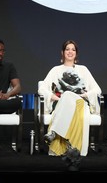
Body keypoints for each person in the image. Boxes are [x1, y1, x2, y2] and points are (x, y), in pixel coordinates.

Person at [38, 40, 101, 171]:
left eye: (73, 49)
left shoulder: (83, 70)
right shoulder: (56, 70)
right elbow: (42, 88)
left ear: (76, 53)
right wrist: (53, 96)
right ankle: (70, 148)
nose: (70, 52)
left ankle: (53, 132)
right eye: (67, 49)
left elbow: (97, 90)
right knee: (66, 95)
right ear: (62, 52)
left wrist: (84, 95)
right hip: (61, 104)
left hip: (80, 103)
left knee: (67, 94)